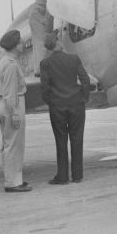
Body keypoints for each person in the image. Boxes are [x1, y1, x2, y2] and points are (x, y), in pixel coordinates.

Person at [40, 33, 91, 184]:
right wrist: (83, 98)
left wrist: (51, 101)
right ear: (58, 42)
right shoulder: (74, 59)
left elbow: (44, 88)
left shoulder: (45, 64)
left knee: (61, 141)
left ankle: (62, 177)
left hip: (57, 107)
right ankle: (77, 175)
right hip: (76, 104)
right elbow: (85, 80)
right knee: (77, 139)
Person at [0, 30, 31, 192]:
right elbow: (10, 93)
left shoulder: (5, 61)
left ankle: (15, 179)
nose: (23, 44)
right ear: (15, 46)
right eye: (20, 43)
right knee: (13, 145)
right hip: (12, 106)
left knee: (10, 144)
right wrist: (15, 113)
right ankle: (12, 183)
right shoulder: (10, 65)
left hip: (4, 104)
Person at [29, 0, 54, 76]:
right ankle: (41, 71)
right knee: (41, 43)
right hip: (37, 16)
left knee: (38, 44)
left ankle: (39, 69)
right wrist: (49, 33)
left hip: (37, 15)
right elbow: (49, 13)